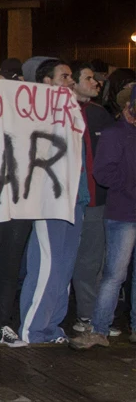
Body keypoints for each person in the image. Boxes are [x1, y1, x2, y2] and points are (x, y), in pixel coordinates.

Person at [19, 57, 86, 345]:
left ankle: (52, 326)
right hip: (50, 200)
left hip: (75, 199)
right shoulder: (37, 115)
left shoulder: (72, 112)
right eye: (64, 77)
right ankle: (33, 329)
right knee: (47, 265)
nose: (70, 81)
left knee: (64, 266)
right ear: (46, 82)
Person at [70, 93, 136, 349]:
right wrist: (130, 188)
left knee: (117, 275)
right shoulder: (114, 134)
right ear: (129, 107)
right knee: (115, 275)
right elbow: (103, 172)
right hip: (123, 213)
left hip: (125, 210)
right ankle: (99, 329)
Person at [69, 62, 115, 336]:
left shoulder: (100, 116)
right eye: (88, 78)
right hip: (65, 201)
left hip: (96, 200)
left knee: (91, 260)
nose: (96, 83)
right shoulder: (57, 113)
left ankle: (88, 316)